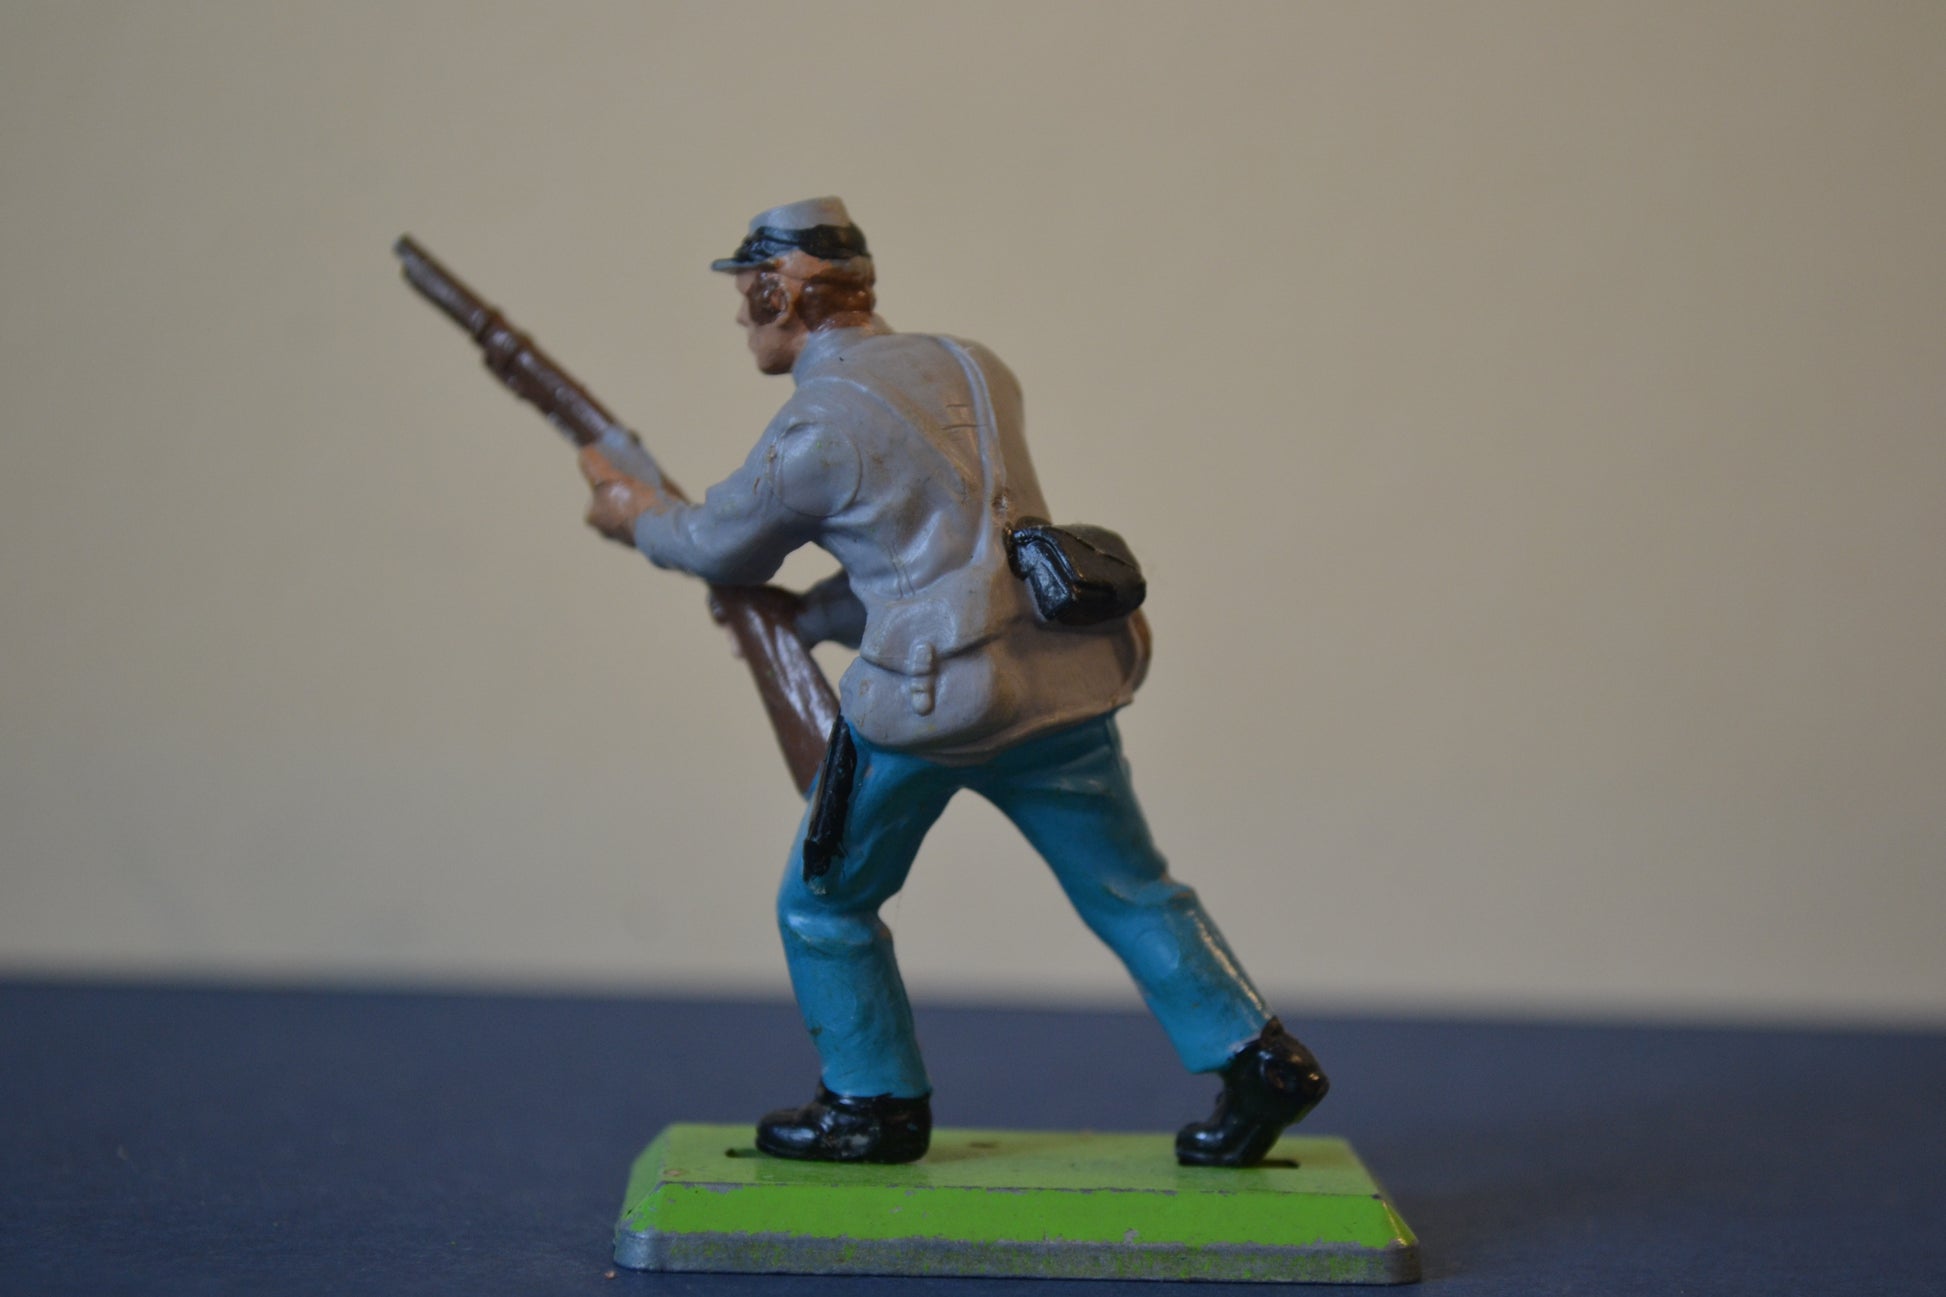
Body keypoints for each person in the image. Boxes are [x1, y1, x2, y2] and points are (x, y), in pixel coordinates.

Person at [579, 197, 1327, 1167]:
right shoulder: (976, 366)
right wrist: (811, 620)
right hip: (1059, 679)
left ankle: (872, 1103)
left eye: (747, 293)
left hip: (929, 706)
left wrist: (632, 512)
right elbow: (943, 542)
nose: (738, 315)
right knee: (1133, 889)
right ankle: (1257, 1056)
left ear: (780, 298)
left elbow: (718, 545)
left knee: (823, 905)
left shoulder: (814, 430)